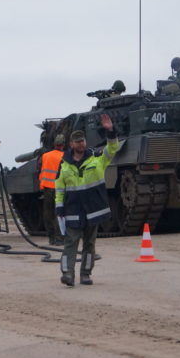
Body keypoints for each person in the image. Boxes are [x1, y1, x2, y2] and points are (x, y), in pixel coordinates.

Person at [54, 113, 122, 287]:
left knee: (89, 244)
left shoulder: (98, 159)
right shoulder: (64, 165)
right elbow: (59, 189)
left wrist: (110, 131)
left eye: (82, 141)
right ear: (71, 144)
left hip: (93, 210)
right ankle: (67, 273)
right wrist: (59, 209)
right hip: (73, 210)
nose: (81, 144)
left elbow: (113, 149)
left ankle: (85, 273)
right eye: (77, 142)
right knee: (70, 243)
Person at [39, 134, 66, 246]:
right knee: (59, 214)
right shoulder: (65, 156)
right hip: (58, 188)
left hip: (47, 188)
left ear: (54, 144)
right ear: (63, 145)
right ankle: (60, 238)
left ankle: (51, 238)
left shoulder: (45, 156)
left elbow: (39, 170)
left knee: (48, 213)